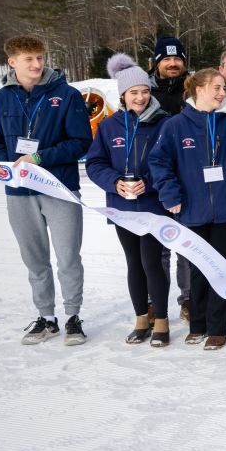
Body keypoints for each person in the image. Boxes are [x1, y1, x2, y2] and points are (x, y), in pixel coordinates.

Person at [0, 35, 93, 346]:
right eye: (29, 59)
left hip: (58, 188)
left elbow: (81, 143)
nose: (37, 64)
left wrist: (39, 157)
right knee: (34, 259)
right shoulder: (1, 98)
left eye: (40, 58)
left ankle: (73, 316)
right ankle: (46, 317)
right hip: (19, 192)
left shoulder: (66, 95)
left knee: (68, 257)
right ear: (12, 62)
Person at [148, 68, 226, 350]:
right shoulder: (175, 125)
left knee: (220, 268)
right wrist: (170, 194)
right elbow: (159, 163)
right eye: (217, 88)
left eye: (223, 88)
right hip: (191, 208)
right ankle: (197, 324)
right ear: (199, 89)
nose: (223, 93)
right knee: (197, 268)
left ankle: (217, 328)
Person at [86, 53, 172, 346]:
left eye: (145, 91)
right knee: (133, 262)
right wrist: (115, 182)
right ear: (123, 95)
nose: (140, 97)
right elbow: (95, 163)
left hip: (152, 207)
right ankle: (141, 318)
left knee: (152, 262)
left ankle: (162, 320)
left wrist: (149, 183)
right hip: (122, 207)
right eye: (134, 92)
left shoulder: (164, 123)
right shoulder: (109, 126)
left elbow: (171, 163)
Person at [149, 36, 194, 321]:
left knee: (186, 245)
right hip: (155, 178)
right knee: (158, 247)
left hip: (189, 178)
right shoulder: (145, 92)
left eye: (177, 58)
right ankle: (156, 301)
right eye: (166, 59)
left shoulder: (192, 89)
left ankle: (188, 298)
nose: (173, 63)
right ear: (156, 63)